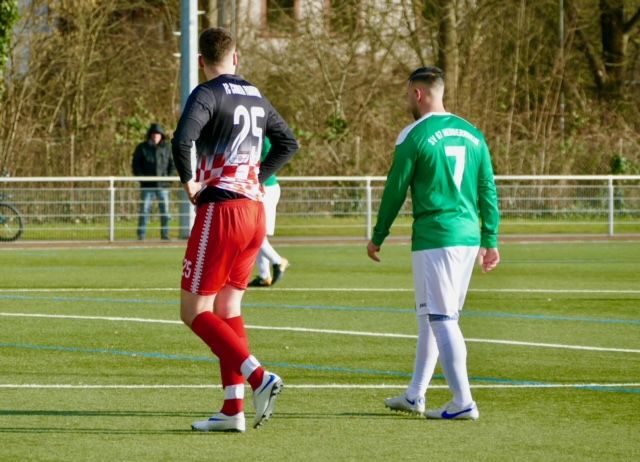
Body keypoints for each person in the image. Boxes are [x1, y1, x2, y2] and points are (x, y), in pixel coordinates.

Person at [171, 27, 299, 433]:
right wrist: (257, 175)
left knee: (194, 311)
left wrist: (190, 183)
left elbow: (182, 140)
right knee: (229, 309)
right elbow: (289, 143)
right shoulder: (256, 95)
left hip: (223, 210)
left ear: (201, 61)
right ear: (236, 57)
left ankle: (259, 377)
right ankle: (233, 410)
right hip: (254, 212)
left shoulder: (207, 93)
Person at [366, 66, 500, 421]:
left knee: (442, 318)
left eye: (407, 94)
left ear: (418, 93)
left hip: (436, 236)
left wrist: (378, 234)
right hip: (468, 236)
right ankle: (415, 395)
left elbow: (396, 189)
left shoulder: (414, 135)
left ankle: (463, 401)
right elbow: (487, 187)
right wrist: (491, 238)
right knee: (433, 315)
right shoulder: (473, 133)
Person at [248, 137, 290, 287]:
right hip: (265, 186)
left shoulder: (261, 135)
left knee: (254, 233)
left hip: (266, 188)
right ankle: (264, 275)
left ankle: (278, 261)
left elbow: (266, 159)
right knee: (259, 234)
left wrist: (260, 182)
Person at [132, 123, 175, 240]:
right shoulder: (142, 148)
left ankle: (165, 235)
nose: (155, 136)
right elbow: (136, 165)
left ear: (161, 135)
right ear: (150, 135)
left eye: (158, 134)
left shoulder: (167, 148)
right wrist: (142, 179)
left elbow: (173, 165)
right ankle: (141, 235)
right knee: (144, 210)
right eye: (154, 134)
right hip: (147, 185)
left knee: (165, 211)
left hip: (163, 186)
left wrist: (169, 179)